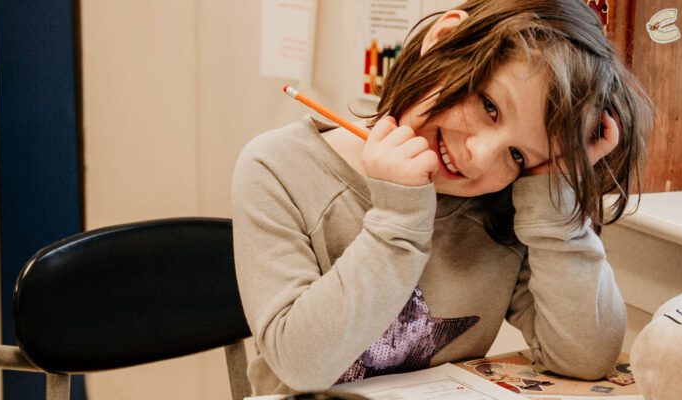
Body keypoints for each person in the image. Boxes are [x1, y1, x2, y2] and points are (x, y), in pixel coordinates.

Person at [232, 0, 652, 394]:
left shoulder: (504, 200)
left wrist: (557, 190)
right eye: (489, 106)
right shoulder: (278, 166)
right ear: (444, 39)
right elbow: (299, 365)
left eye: (519, 155)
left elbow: (585, 357)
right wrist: (399, 219)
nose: (479, 157)